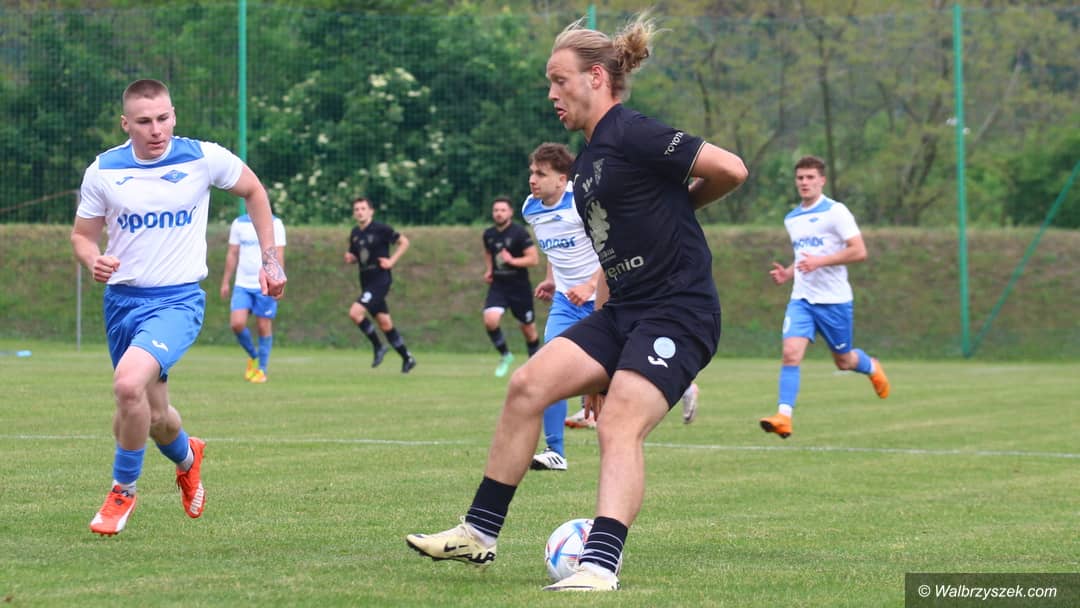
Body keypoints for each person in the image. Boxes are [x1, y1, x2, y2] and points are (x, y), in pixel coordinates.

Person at [406, 14, 747, 592]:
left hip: (678, 310)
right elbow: (608, 256)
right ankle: (479, 532)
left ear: (595, 77)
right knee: (526, 386)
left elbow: (731, 169)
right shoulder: (585, 165)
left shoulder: (634, 131)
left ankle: (599, 566)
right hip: (621, 313)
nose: (551, 93)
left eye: (558, 79)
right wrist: (599, 355)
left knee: (619, 424)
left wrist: (681, 206)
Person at [71, 78, 287, 536]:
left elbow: (255, 192)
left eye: (163, 118)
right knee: (153, 417)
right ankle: (188, 457)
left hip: (178, 301)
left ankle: (122, 492)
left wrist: (270, 260)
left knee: (127, 386)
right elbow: (83, 236)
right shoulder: (103, 170)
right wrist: (93, 259)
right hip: (122, 303)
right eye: (144, 121)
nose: (156, 129)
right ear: (125, 124)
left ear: (174, 115)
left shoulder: (203, 158)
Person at [759, 155, 890, 439]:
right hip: (802, 300)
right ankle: (784, 417)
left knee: (844, 361)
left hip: (835, 301)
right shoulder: (792, 218)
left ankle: (871, 366)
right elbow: (804, 256)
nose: (804, 182)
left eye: (810, 177)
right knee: (790, 354)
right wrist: (788, 273)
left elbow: (859, 251)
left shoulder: (836, 212)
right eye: (800, 178)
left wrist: (820, 262)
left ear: (822, 180)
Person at [344, 197, 417, 373]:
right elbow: (357, 255)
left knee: (355, 313)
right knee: (385, 323)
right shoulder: (355, 233)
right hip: (366, 281)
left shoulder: (381, 229)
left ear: (371, 211)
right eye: (357, 209)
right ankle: (407, 358)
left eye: (363, 208)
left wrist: (391, 261)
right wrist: (352, 258)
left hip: (380, 280)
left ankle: (378, 346)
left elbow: (404, 242)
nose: (360, 212)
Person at [220, 212, 287, 383]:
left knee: (263, 326)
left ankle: (261, 369)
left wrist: (279, 280)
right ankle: (253, 355)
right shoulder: (239, 223)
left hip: (264, 282)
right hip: (242, 284)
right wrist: (226, 281)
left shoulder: (275, 224)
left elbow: (279, 254)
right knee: (237, 324)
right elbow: (232, 253)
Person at [481, 196, 540, 378]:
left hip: (519, 287)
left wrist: (512, 261)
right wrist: (489, 270)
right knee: (490, 320)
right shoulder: (488, 234)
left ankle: (535, 366)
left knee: (528, 330)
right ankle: (506, 355)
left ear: (510, 212)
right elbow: (488, 253)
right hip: (499, 286)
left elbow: (533, 259)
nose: (499, 213)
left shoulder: (519, 233)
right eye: (496, 210)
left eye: (503, 210)